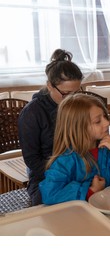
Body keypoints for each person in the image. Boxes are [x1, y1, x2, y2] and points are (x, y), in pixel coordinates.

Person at [39, 94, 110, 205]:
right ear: (78, 127)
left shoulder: (109, 150)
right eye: (97, 121)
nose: (107, 123)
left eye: (105, 117)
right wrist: (89, 191)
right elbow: (49, 194)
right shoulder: (65, 160)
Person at [18, 49, 83, 206]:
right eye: (66, 93)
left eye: (77, 92)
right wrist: (62, 174)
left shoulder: (80, 104)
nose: (73, 98)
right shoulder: (32, 113)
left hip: (79, 167)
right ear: (50, 86)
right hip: (46, 174)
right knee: (49, 204)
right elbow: (32, 160)